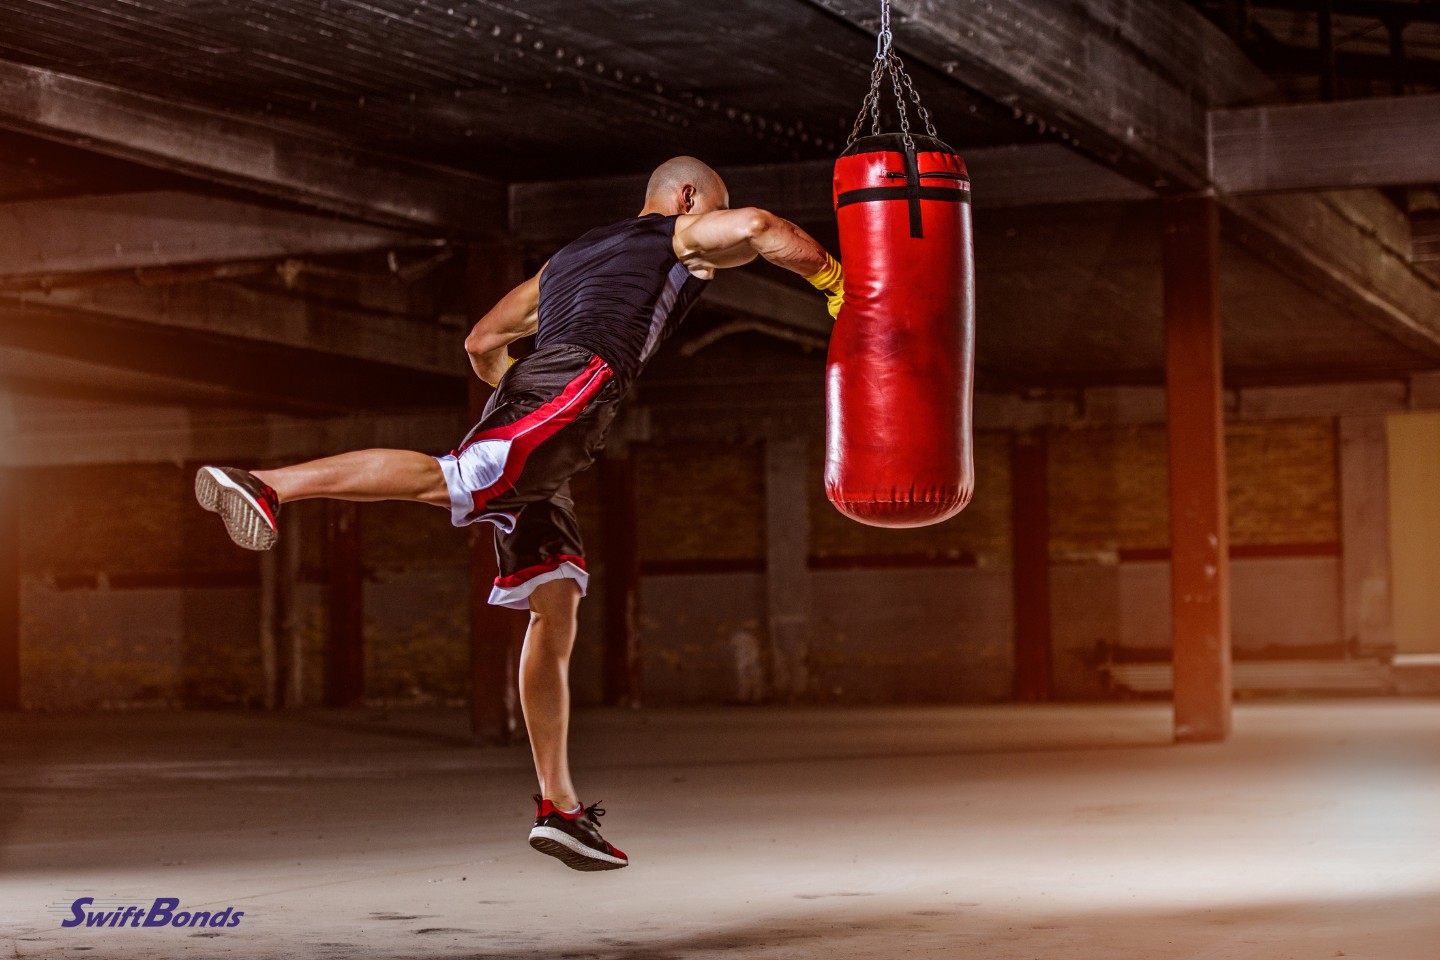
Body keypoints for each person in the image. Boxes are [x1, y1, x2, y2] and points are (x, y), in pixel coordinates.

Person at [194, 156, 845, 871]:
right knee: (456, 477)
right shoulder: (674, 234)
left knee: (554, 598)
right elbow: (760, 227)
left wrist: (519, 398)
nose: (714, 253)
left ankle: (558, 808)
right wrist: (837, 285)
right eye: (705, 212)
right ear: (686, 198)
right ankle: (266, 484)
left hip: (545, 401)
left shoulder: (567, 260)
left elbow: (479, 342)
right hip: (579, 381)